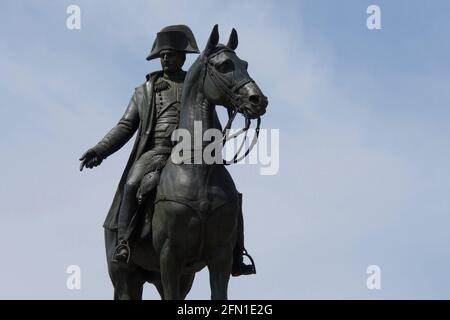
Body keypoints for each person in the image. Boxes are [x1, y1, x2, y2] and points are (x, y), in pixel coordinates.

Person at [79, 25, 255, 276]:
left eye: (170, 53)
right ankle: (124, 243)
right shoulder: (145, 91)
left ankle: (237, 254)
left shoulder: (197, 83)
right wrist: (100, 150)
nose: (165, 58)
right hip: (157, 152)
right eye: (162, 54)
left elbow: (213, 118)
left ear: (182, 57)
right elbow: (126, 125)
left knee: (232, 196)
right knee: (131, 184)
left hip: (192, 152)